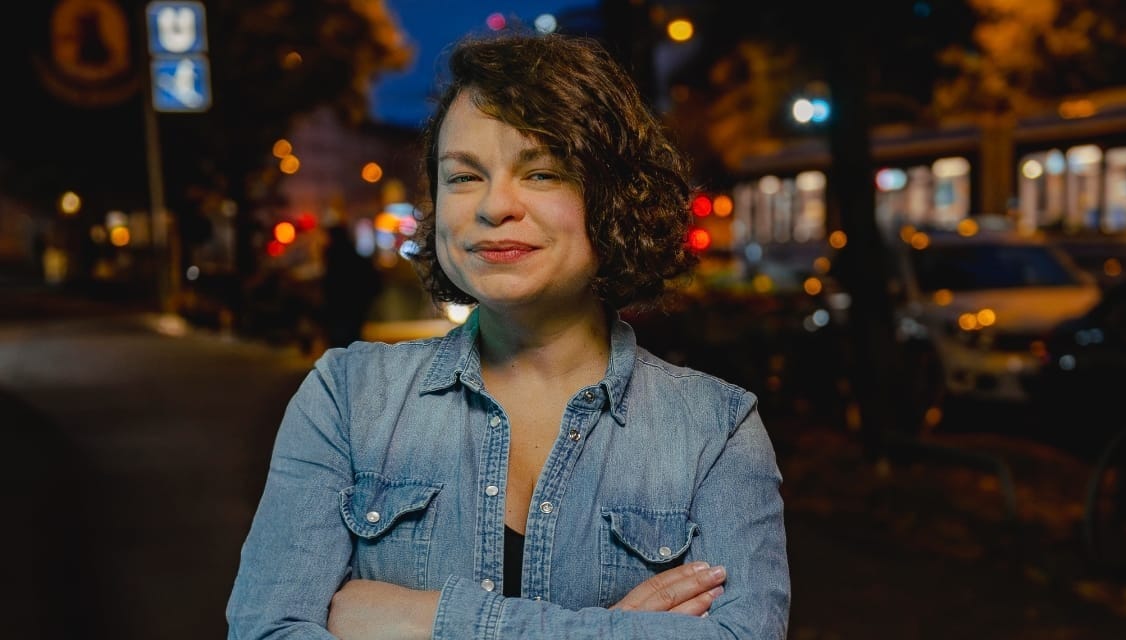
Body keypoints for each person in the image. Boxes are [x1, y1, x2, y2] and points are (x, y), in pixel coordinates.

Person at [226, 30, 790, 639]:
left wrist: (428, 620)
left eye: (542, 172)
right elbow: (267, 631)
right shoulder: (347, 399)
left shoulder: (714, 428)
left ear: (616, 199)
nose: (494, 206)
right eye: (463, 177)